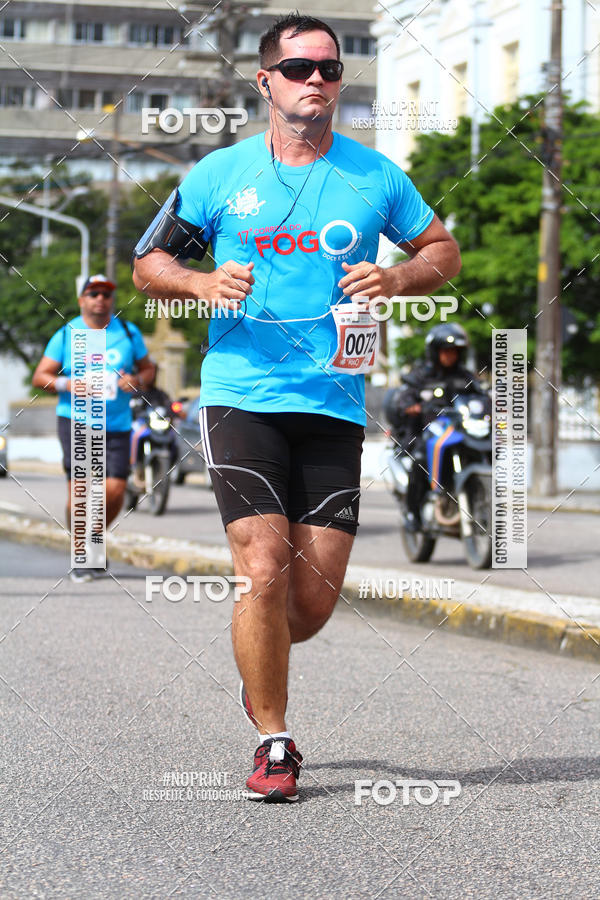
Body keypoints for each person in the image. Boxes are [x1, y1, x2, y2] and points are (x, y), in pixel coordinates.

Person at [132, 13, 461, 802]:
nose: (317, 80)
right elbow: (148, 264)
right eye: (300, 67)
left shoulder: (376, 176)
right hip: (242, 394)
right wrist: (202, 283)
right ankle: (274, 740)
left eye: (330, 68)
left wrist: (398, 279)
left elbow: (442, 252)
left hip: (336, 402)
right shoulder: (219, 176)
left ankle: (262, 670)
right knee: (264, 569)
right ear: (267, 81)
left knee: (308, 605)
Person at [32, 274, 155, 582]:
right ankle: (84, 555)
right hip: (76, 420)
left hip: (117, 424)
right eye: (93, 293)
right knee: (82, 492)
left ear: (112, 299)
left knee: (114, 491)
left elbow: (148, 369)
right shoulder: (67, 333)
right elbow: (40, 376)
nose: (100, 299)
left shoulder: (128, 331)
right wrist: (69, 383)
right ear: (82, 300)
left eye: (106, 294)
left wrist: (137, 382)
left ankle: (92, 539)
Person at [388, 323, 485, 531]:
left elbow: (481, 397)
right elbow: (403, 397)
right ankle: (412, 512)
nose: (450, 356)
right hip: (423, 433)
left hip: (457, 431)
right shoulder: (420, 376)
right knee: (421, 459)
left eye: (455, 351)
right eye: (446, 351)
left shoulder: (465, 377)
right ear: (435, 352)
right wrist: (410, 406)